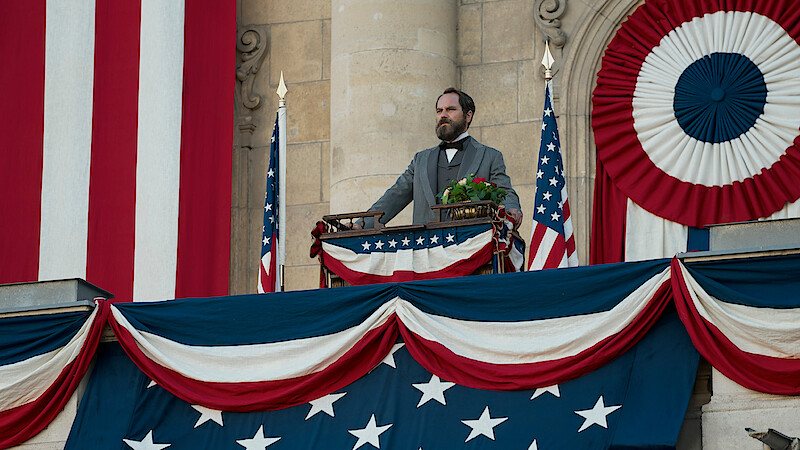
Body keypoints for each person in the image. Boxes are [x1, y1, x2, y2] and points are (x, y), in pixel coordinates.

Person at [359, 87, 522, 227]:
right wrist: (361, 224)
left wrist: (511, 208)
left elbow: (504, 191)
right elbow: (395, 195)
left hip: (471, 248)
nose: (443, 115)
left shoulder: (490, 156)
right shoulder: (420, 160)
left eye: (450, 109)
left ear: (468, 115)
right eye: (439, 111)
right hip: (426, 251)